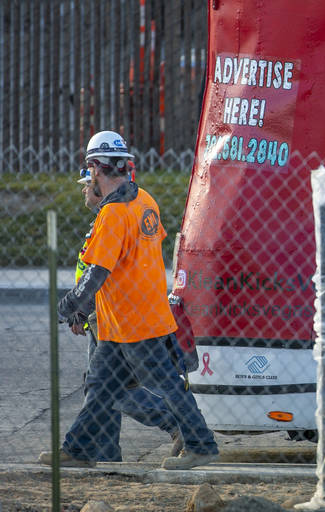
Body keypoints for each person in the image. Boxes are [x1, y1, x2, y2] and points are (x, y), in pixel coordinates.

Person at [39, 130, 218, 469]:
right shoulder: (145, 201)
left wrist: (70, 305)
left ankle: (201, 444)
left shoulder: (113, 216)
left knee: (166, 384)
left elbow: (96, 274)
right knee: (100, 388)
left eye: (88, 171)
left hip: (135, 324)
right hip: (125, 323)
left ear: (95, 169)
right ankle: (78, 450)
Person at [69, 165, 184, 462]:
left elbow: (106, 273)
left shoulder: (115, 218)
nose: (84, 189)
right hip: (101, 313)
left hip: (110, 315)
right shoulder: (105, 220)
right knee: (98, 385)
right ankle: (106, 454)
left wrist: (82, 309)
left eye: (87, 183)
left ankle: (175, 422)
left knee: (110, 388)